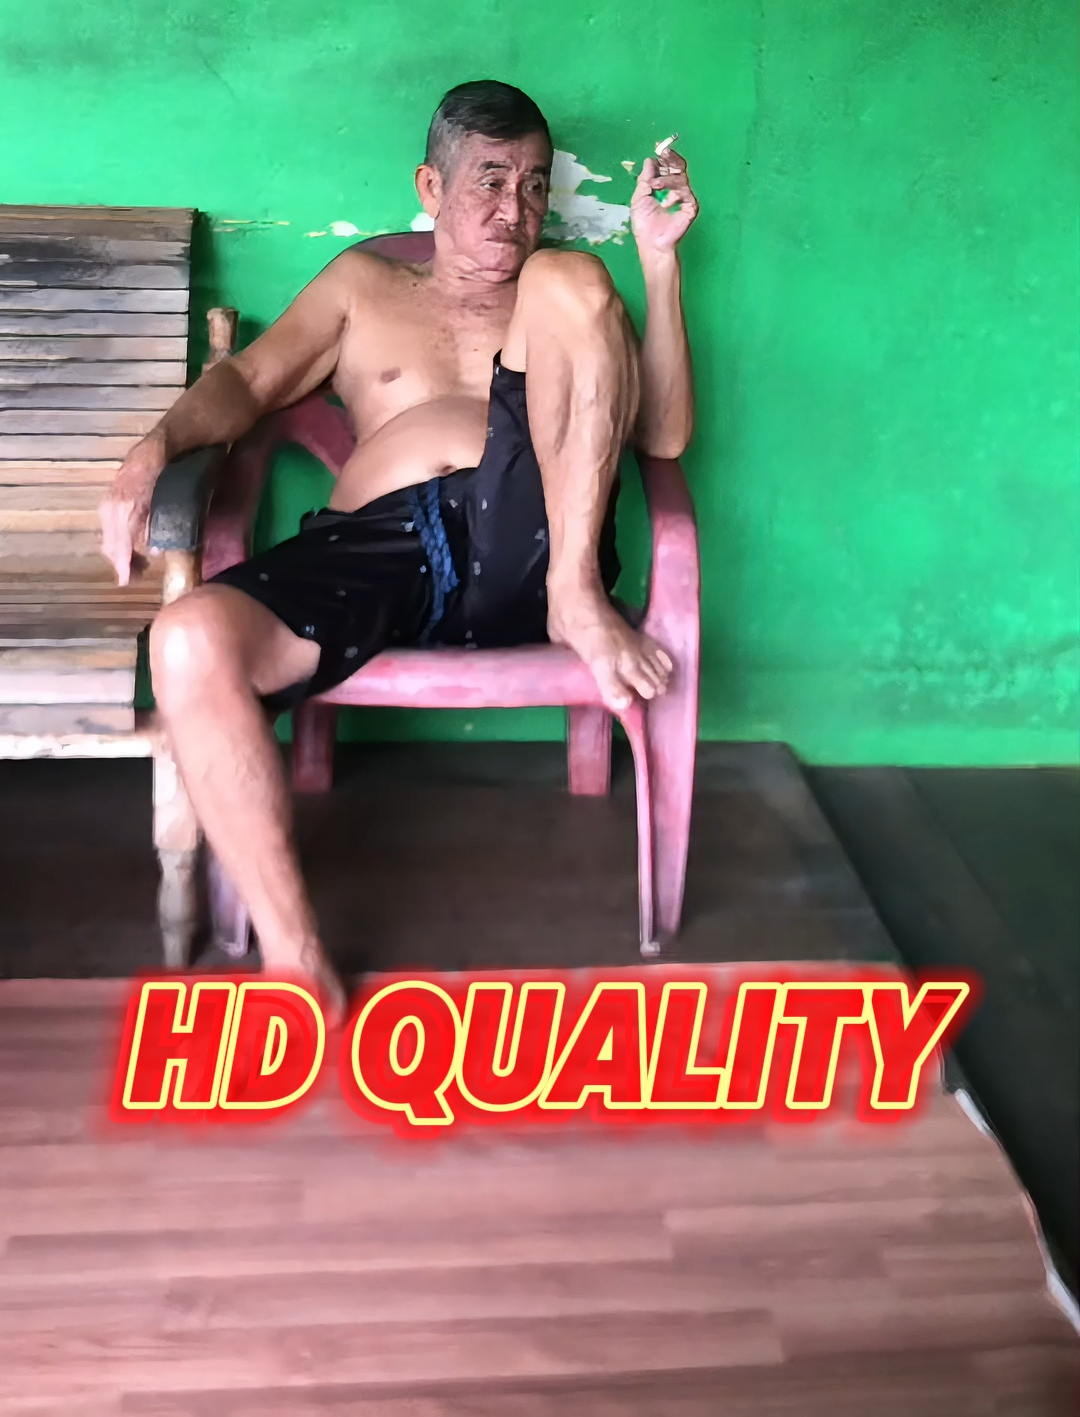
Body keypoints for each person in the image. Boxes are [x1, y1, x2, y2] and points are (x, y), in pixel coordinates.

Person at [99, 81, 698, 1013]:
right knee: (185, 641)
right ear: (430, 186)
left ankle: (575, 598)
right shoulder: (364, 286)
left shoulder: (567, 298)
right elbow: (247, 384)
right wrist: (157, 445)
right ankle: (296, 963)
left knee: (568, 275)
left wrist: (657, 265)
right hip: (373, 549)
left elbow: (660, 437)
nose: (515, 209)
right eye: (489, 181)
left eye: (535, 185)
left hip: (534, 549)